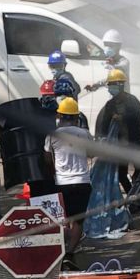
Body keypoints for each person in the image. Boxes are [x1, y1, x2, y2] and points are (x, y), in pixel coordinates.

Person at [44, 97, 92, 269]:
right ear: (76, 116)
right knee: (78, 221)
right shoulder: (84, 134)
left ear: (60, 115)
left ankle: (63, 252)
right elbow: (92, 153)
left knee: (64, 219)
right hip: (82, 182)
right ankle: (69, 253)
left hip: (62, 182)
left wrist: (55, 175)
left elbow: (47, 159)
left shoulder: (52, 134)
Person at [94, 69, 140, 194]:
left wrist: (123, 117)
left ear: (120, 85)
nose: (110, 88)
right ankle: (131, 194)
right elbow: (104, 124)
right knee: (121, 174)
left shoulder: (132, 101)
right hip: (120, 146)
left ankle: (139, 195)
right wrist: (102, 139)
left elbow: (139, 118)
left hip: (135, 143)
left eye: (112, 85)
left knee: (139, 171)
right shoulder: (110, 105)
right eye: (109, 85)